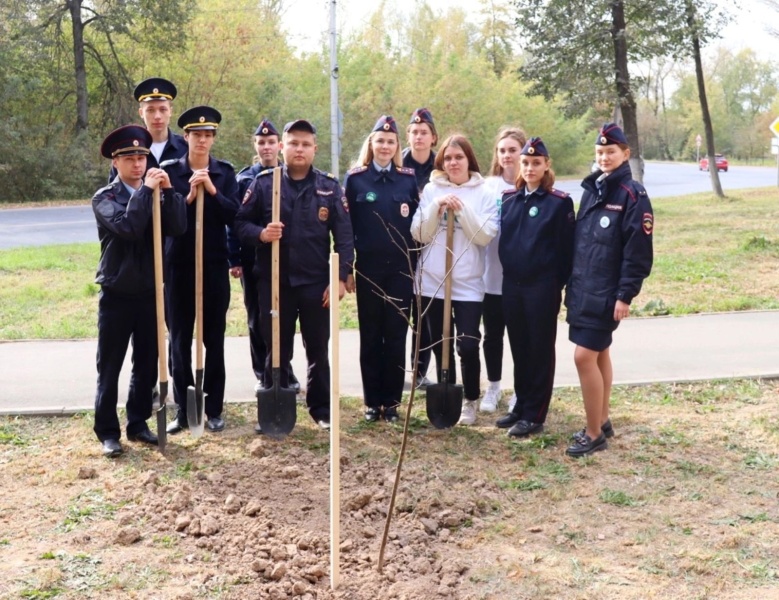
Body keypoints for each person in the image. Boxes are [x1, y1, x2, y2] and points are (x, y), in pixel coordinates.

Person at [234, 119, 354, 431]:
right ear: (282, 147)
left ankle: (321, 409)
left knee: (318, 349)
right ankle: (278, 404)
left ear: (314, 149)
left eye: (305, 144)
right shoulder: (264, 184)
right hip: (275, 283)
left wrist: (340, 277)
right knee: (277, 348)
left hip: (316, 285)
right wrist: (262, 233)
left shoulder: (329, 187)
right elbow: (240, 225)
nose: (299, 149)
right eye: (293, 143)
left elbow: (344, 237)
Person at [92, 125, 187, 457]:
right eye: (130, 158)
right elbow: (129, 228)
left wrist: (171, 191)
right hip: (116, 294)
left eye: (142, 157)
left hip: (149, 292)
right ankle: (107, 431)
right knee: (110, 365)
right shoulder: (105, 198)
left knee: (146, 363)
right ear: (116, 162)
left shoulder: (157, 193)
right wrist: (147, 192)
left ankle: (137, 423)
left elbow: (178, 227)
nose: (137, 164)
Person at [564, 123, 653, 457]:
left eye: (610, 151)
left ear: (625, 154)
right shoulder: (592, 189)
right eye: (599, 152)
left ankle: (592, 434)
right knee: (599, 353)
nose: (604, 157)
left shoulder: (632, 194)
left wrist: (625, 295)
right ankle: (601, 420)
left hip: (607, 294)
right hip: (585, 288)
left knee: (583, 355)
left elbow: (638, 251)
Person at [162, 106, 240, 434]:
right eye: (197, 135)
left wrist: (212, 191)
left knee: (214, 340)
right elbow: (166, 218)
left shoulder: (224, 172)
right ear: (186, 137)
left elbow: (233, 214)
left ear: (213, 139)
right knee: (179, 340)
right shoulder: (169, 171)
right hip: (179, 267)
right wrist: (189, 197)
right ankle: (183, 409)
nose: (202, 141)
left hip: (213, 266)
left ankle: (215, 408)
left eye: (208, 135)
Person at [411, 134, 498, 426]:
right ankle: (447, 394)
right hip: (433, 279)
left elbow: (484, 236)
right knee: (439, 343)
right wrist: (437, 207)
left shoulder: (484, 192)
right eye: (447, 158)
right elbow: (418, 233)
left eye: (458, 157)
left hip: (468, 282)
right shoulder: (432, 189)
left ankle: (471, 399)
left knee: (469, 344)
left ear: (469, 160)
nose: (453, 163)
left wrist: (461, 209)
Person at [494, 137, 575, 438]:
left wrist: (556, 282)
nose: (529, 167)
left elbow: (567, 250)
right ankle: (520, 405)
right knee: (519, 347)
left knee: (540, 349)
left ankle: (535, 414)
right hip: (511, 285)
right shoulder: (508, 199)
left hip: (542, 286)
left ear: (546, 165)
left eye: (536, 163)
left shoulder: (558, 202)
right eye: (526, 163)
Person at [343, 115, 419, 423]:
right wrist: (347, 269)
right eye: (380, 141)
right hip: (369, 269)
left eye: (390, 141)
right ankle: (372, 402)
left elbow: (417, 225)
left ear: (397, 146)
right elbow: (346, 228)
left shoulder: (408, 179)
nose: (385, 146)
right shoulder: (356, 179)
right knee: (371, 335)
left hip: (401, 270)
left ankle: (393, 402)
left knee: (396, 334)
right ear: (371, 144)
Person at [227, 119, 300, 395]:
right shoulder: (245, 179)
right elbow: (236, 222)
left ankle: (285, 370)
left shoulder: (290, 176)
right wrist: (233, 259)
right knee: (258, 319)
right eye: (261, 142)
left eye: (271, 142)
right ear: (255, 146)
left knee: (283, 318)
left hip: (286, 261)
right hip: (252, 259)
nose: (267, 147)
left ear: (279, 146)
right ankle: (263, 372)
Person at [480, 127, 526, 414]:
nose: (507, 155)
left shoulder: (529, 183)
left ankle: (521, 391)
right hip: (490, 277)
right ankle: (494, 386)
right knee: (492, 336)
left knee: (520, 337)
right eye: (502, 150)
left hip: (521, 280)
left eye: (513, 150)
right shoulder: (488, 186)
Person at [403, 108, 438, 389]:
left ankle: (419, 372)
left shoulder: (442, 167)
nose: (418, 137)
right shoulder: (397, 163)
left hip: (432, 248)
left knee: (424, 315)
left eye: (424, 132)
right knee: (400, 311)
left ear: (433, 138)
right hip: (402, 248)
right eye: (414, 132)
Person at [109, 77, 187, 181]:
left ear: (170, 111)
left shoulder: (186, 149)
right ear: (141, 113)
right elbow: (114, 192)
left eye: (163, 109)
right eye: (150, 110)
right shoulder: (126, 150)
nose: (157, 116)